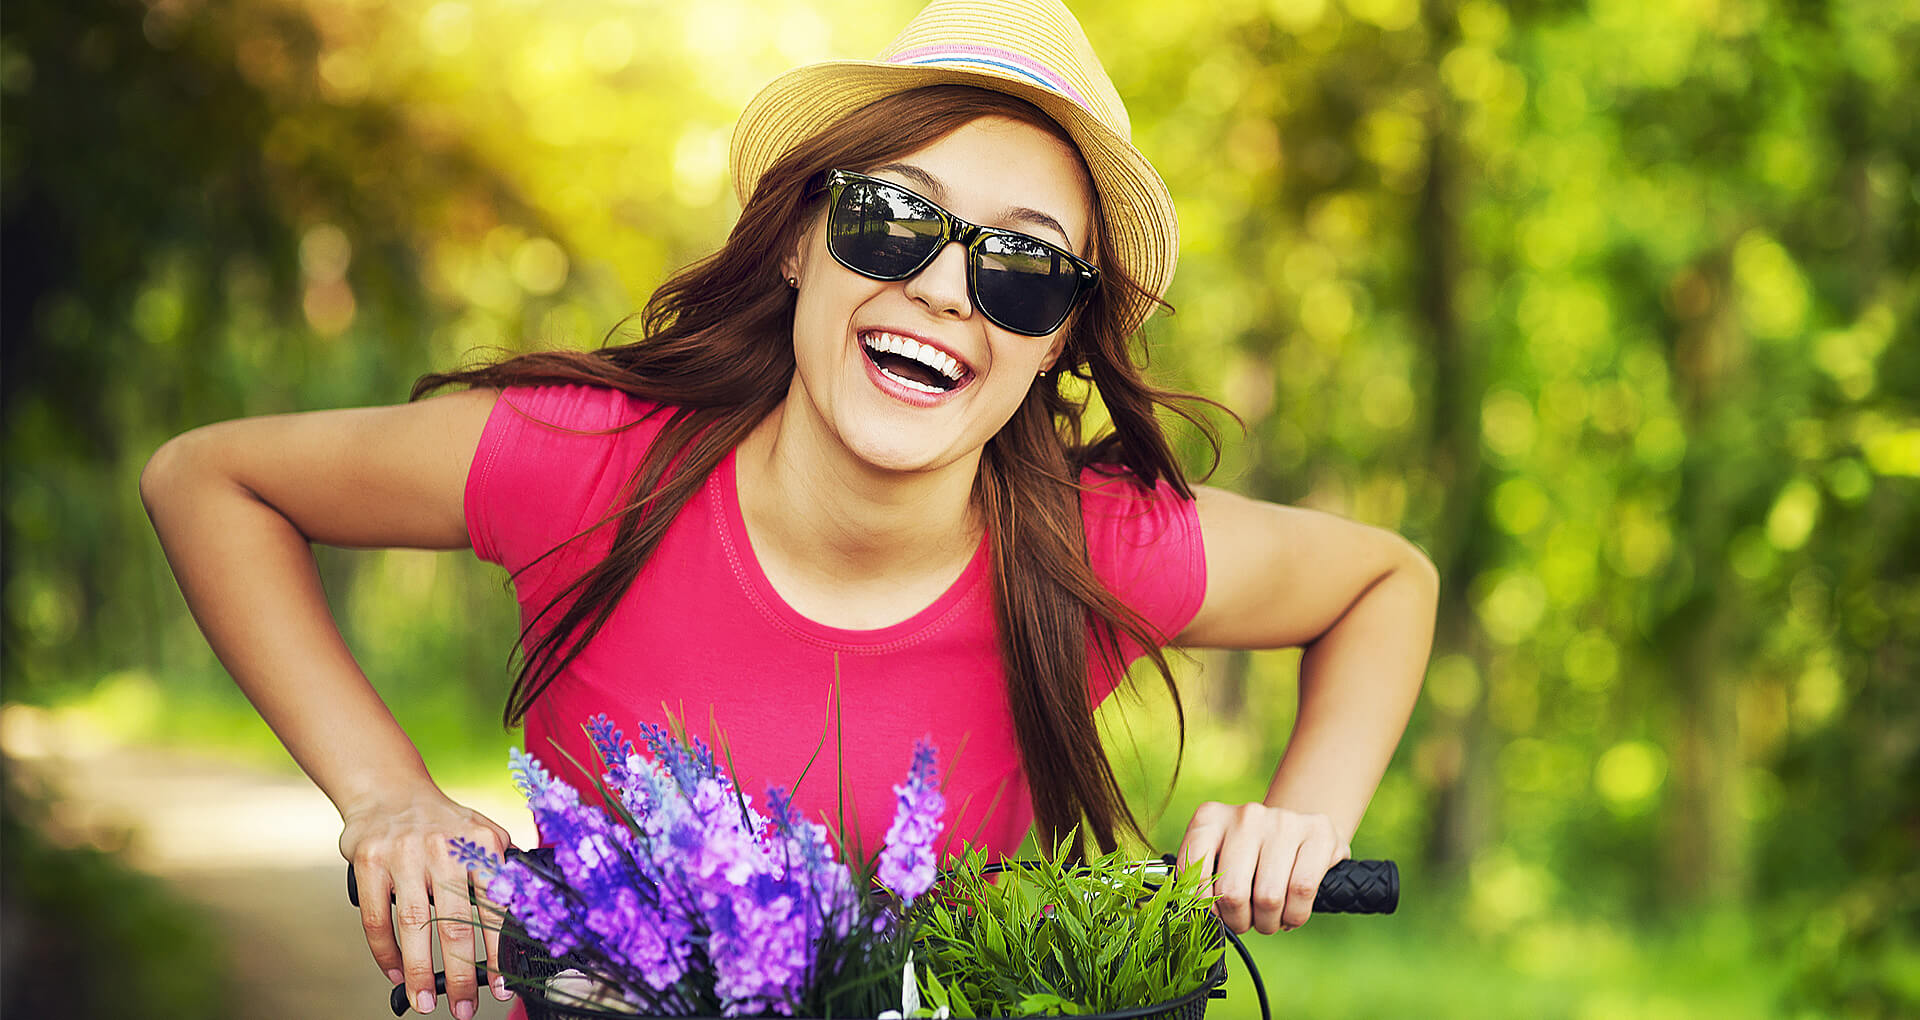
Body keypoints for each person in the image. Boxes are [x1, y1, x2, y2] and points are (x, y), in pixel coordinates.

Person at [141, 0, 1437, 1016]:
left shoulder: (1089, 551)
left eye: (1023, 268)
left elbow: (1387, 584)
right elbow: (210, 479)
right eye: (892, 220)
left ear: (1059, 341)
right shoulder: (593, 473)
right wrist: (386, 795)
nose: (944, 289)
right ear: (799, 242)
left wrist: (1301, 826)